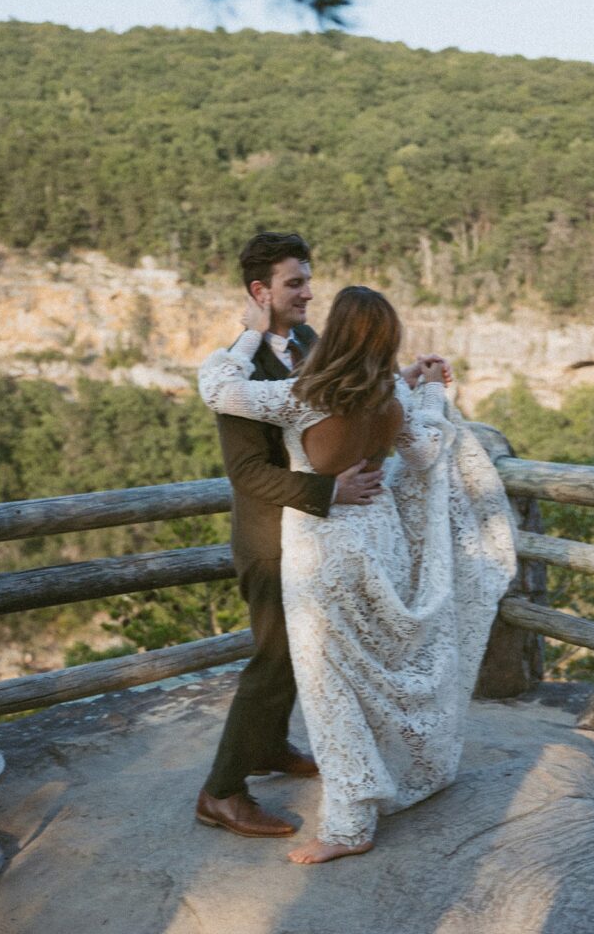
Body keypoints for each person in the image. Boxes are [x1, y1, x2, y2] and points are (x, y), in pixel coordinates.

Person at [198, 283, 517, 864]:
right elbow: (421, 455)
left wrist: (250, 330)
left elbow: (216, 387)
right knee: (378, 671)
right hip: (381, 540)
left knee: (332, 688)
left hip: (322, 551)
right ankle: (392, 773)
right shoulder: (390, 393)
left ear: (337, 332)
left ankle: (348, 826)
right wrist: (428, 394)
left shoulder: (300, 394)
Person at [195, 233, 388, 840]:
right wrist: (329, 493)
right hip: (272, 540)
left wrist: (407, 379)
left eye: (308, 280)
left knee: (293, 658)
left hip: (312, 539)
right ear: (261, 292)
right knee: (275, 660)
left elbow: (347, 399)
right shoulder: (242, 365)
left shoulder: (307, 342)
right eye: (294, 283)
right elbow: (247, 471)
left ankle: (269, 746)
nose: (309, 293)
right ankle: (220, 793)